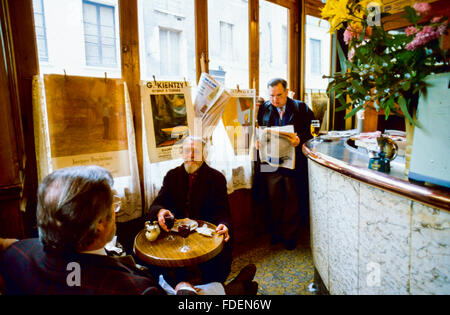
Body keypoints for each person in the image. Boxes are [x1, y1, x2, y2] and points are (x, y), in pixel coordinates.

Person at [0, 166, 257, 295]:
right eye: (113, 205)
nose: (116, 210)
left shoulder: (16, 253)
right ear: (99, 224)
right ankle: (236, 290)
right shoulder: (132, 289)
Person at [148, 136, 233, 284]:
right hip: (177, 235)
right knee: (167, 272)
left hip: (204, 236)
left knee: (217, 268)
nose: (191, 155)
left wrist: (224, 224)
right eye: (187, 151)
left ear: (204, 155)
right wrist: (160, 211)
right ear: (182, 154)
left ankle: (214, 288)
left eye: (196, 151)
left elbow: (223, 211)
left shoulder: (217, 178)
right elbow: (157, 204)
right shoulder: (172, 176)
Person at [255, 78, 315, 250]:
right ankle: (276, 233)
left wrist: (301, 140)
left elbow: (312, 132)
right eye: (271, 96)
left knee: (291, 199)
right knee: (272, 198)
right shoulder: (264, 108)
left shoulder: (301, 108)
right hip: (269, 160)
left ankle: (290, 236)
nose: (275, 100)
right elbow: (260, 130)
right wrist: (258, 142)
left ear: (287, 92)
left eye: (279, 95)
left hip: (292, 159)